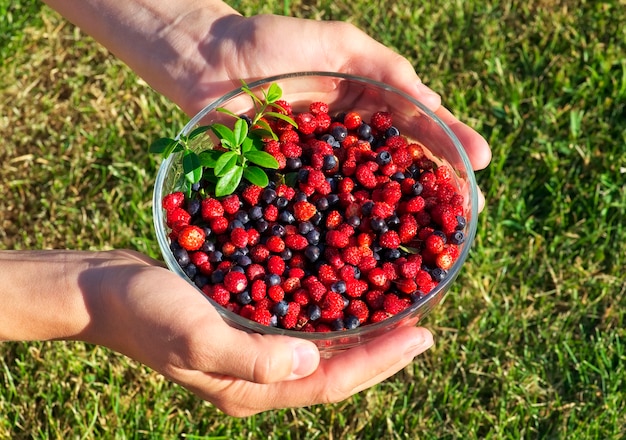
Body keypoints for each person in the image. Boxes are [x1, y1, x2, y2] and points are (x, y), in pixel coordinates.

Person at [0, 0, 492, 417]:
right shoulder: (267, 235)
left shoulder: (377, 214)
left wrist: (202, 38)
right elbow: (278, 233)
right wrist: (99, 301)